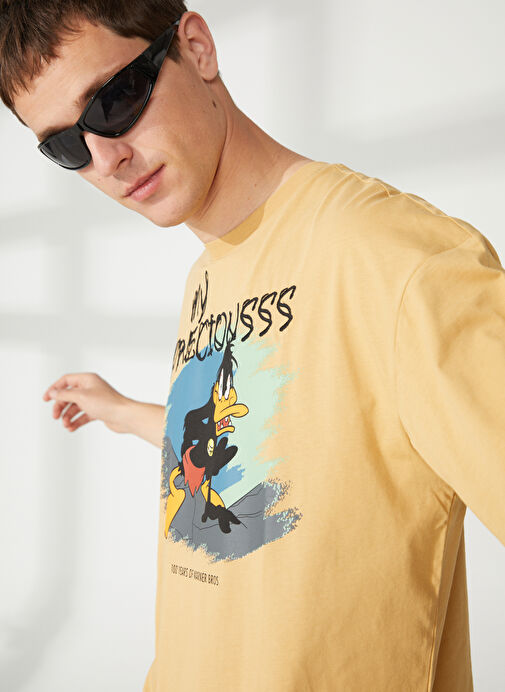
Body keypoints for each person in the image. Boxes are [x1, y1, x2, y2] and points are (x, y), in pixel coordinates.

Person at [1, 1, 504, 689]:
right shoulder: (207, 275)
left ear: (196, 47)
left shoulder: (397, 260)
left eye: (114, 101)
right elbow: (274, 451)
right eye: (66, 145)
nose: (107, 158)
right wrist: (124, 412)